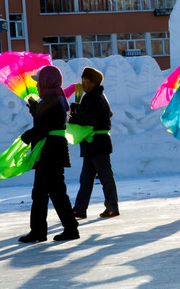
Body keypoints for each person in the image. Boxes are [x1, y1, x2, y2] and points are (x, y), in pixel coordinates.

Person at [19, 65, 79, 242]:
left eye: (39, 83)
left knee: (54, 193)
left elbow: (44, 126)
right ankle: (42, 231)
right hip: (51, 151)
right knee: (43, 193)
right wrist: (34, 107)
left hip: (50, 153)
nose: (37, 86)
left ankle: (64, 229)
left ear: (46, 82)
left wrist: (28, 136)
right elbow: (45, 120)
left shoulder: (51, 100)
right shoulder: (54, 98)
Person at [70, 67, 119, 218]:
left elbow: (87, 119)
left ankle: (112, 207)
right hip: (90, 144)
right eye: (82, 80)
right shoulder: (90, 96)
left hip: (98, 142)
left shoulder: (96, 98)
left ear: (94, 82)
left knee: (105, 177)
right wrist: (76, 110)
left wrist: (71, 118)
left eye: (85, 80)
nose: (83, 83)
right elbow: (85, 115)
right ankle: (79, 209)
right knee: (85, 179)